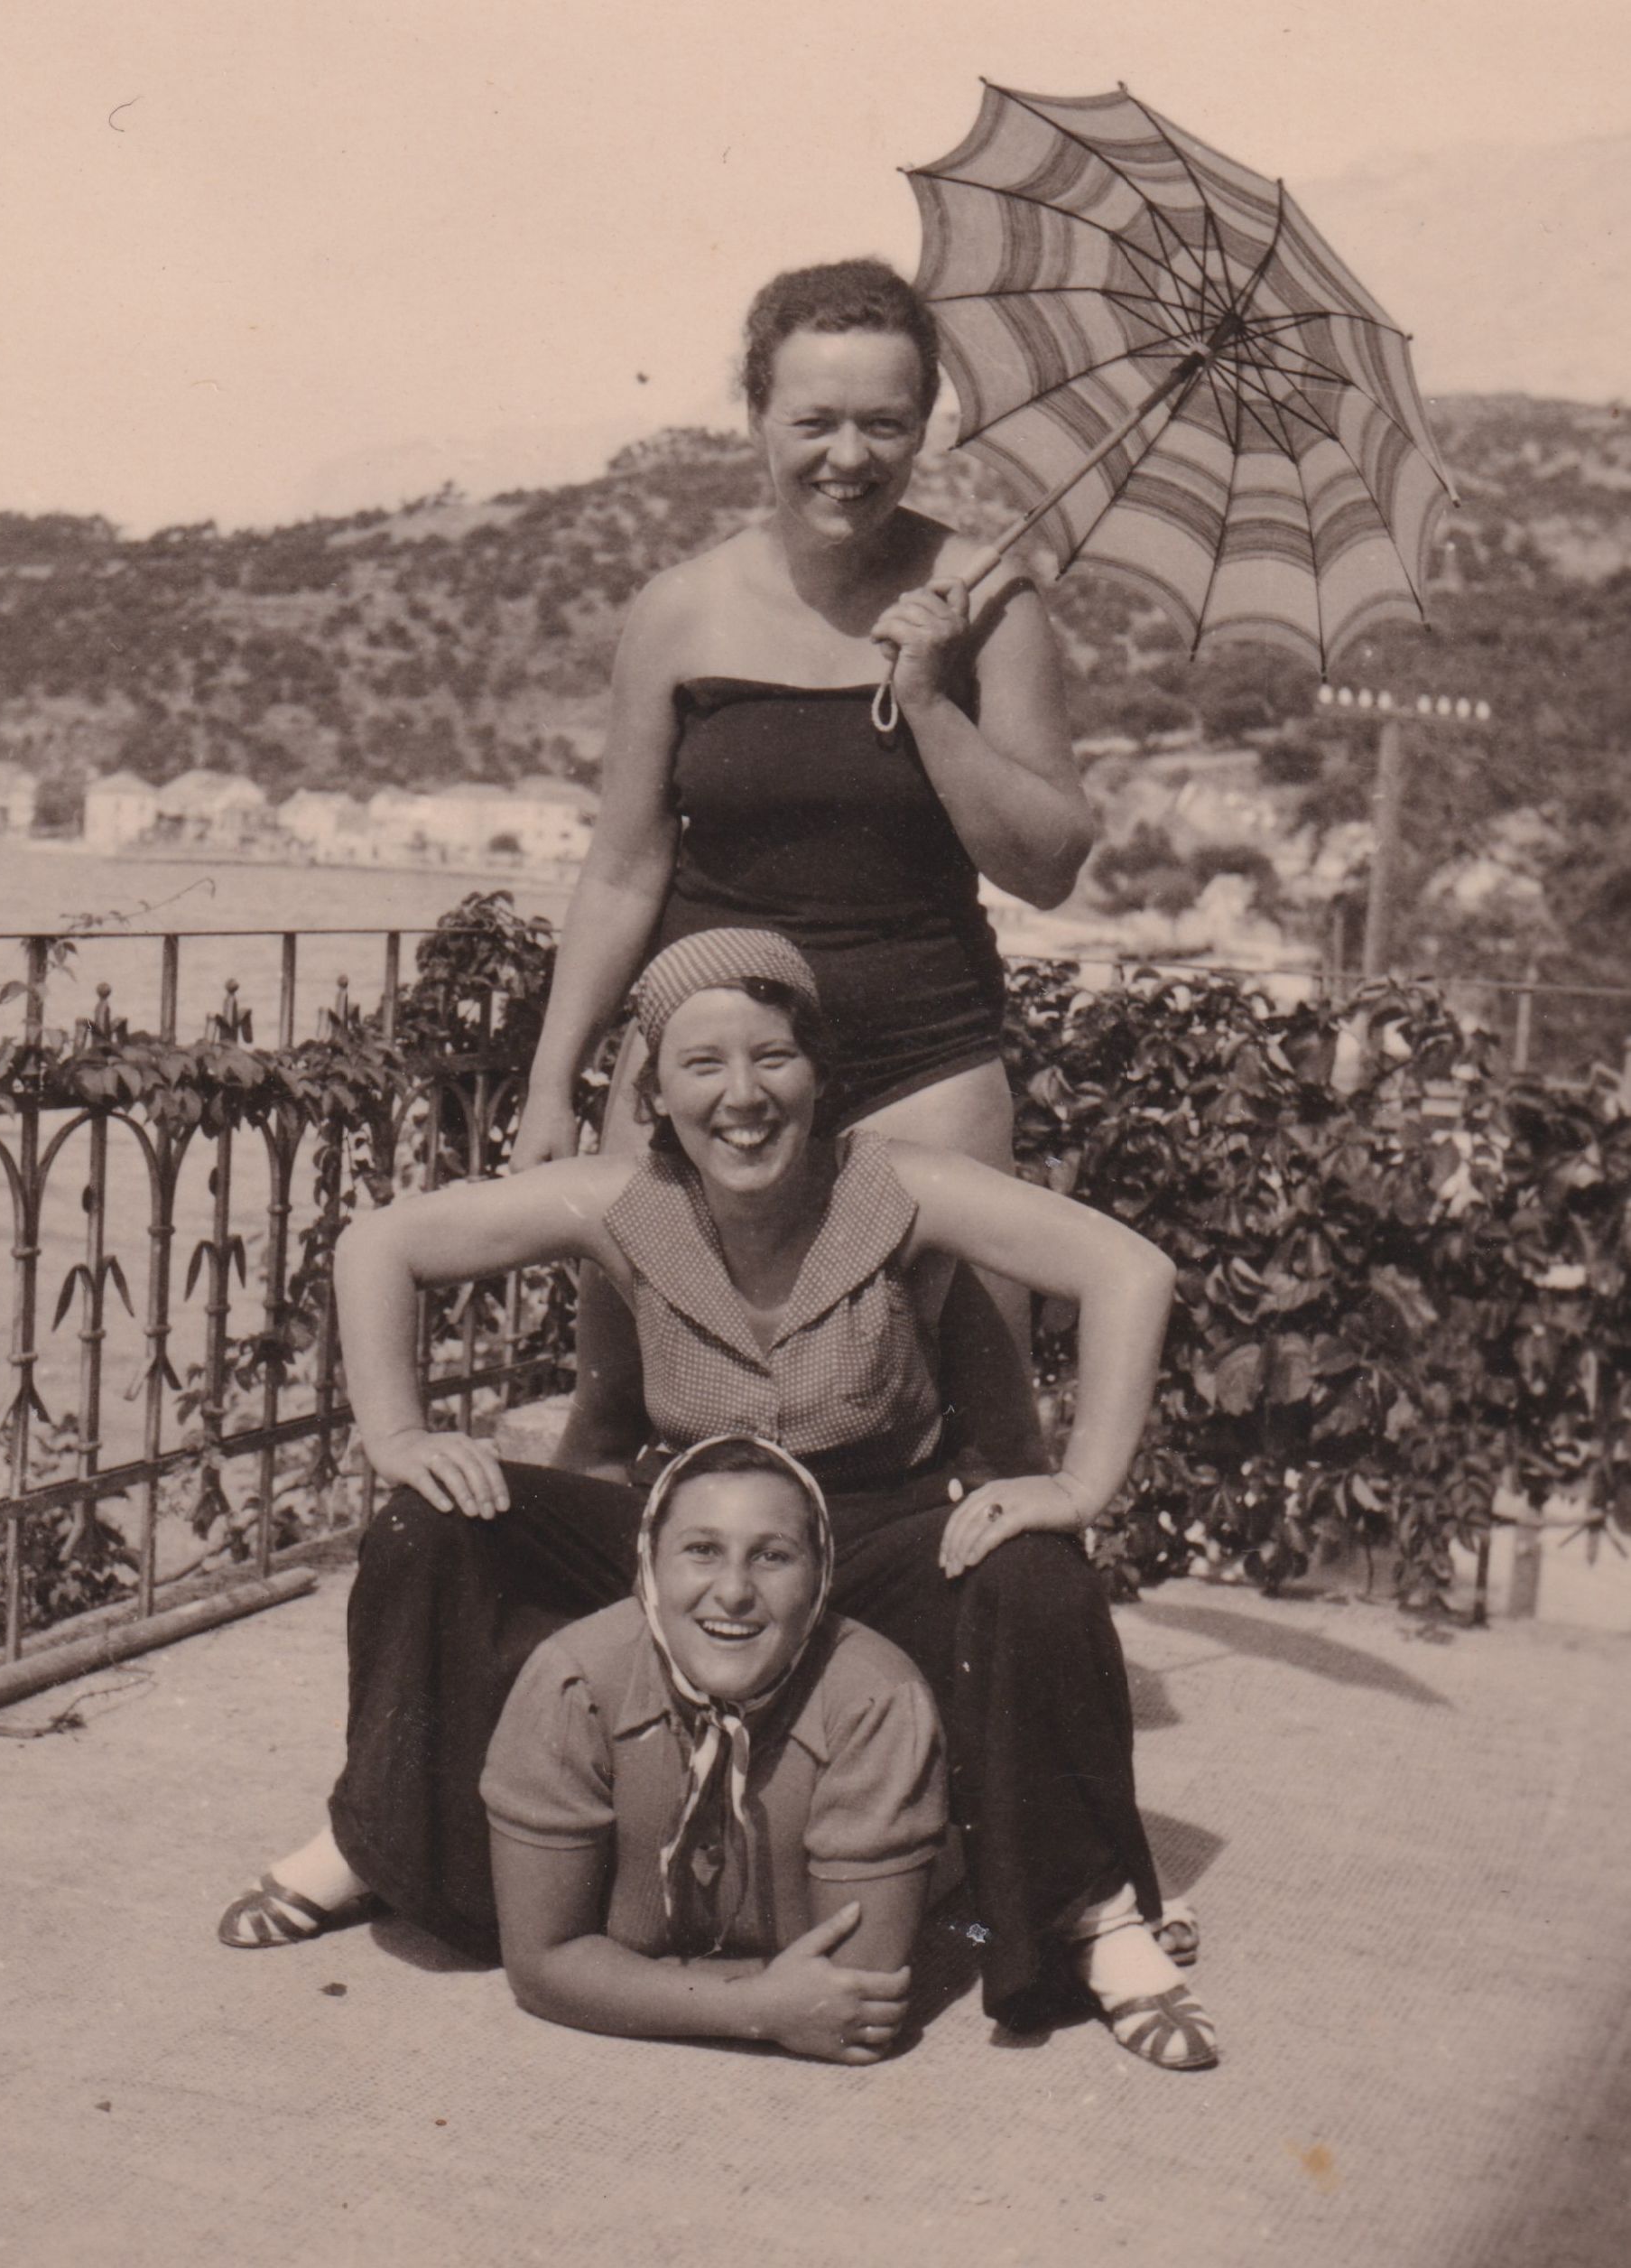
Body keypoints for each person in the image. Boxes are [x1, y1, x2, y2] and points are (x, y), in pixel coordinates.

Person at [218, 929, 1215, 2070]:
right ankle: (381, 1841)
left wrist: (1077, 1485)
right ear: (657, 1094)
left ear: (819, 1075)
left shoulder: (897, 1186)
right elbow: (378, 1243)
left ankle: (1091, 1913)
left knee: (1037, 1576)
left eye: (772, 1057)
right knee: (428, 1523)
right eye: (702, 1065)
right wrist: (398, 1436)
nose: (742, 1096)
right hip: (686, 1531)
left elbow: (1128, 1269)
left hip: (874, 1532)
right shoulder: (623, 1201)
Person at [505, 257, 1095, 1471]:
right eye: (815, 421)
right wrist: (552, 1084)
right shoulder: (679, 612)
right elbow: (622, 871)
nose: (849, 456)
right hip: (705, 1059)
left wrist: (930, 701)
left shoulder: (990, 602)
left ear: (925, 424)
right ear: (756, 416)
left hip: (921, 1059)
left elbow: (1049, 864)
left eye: (886, 423)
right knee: (616, 1416)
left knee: (992, 1438)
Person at [483, 1435, 941, 2065]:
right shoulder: (573, 1681)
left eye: (773, 1556)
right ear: (649, 1568)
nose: (733, 1591)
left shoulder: (876, 1699)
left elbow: (852, 1998)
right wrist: (754, 2008)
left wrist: (619, 1978)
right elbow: (541, 1964)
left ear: (819, 1578)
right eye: (702, 1550)